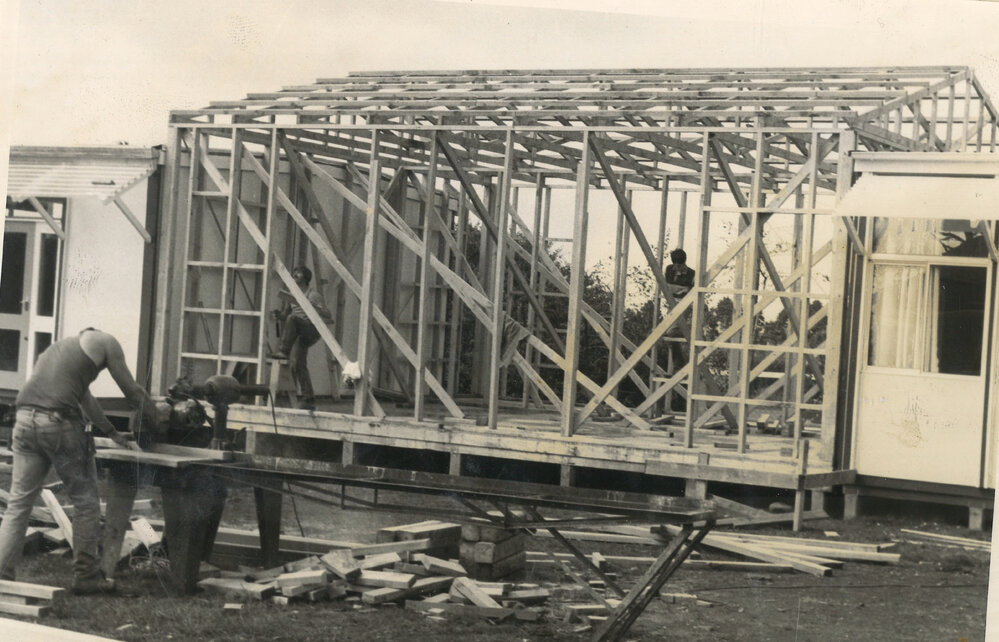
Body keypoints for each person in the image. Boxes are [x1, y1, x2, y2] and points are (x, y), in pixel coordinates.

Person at [0, 328, 156, 594]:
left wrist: (111, 432)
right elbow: (133, 392)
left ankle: (2, 574)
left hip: (24, 420)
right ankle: (86, 578)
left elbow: (87, 400)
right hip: (60, 423)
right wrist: (156, 419)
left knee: (18, 504)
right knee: (85, 503)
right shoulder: (107, 341)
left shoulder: (59, 353)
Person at [270, 266, 333, 410]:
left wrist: (313, 307)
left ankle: (284, 350)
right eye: (294, 273)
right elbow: (286, 315)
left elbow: (328, 314)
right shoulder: (292, 295)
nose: (294, 275)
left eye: (298, 273)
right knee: (299, 364)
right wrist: (279, 315)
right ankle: (308, 398)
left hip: (311, 329)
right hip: (299, 332)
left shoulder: (313, 295)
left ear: (305, 277)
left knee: (293, 318)